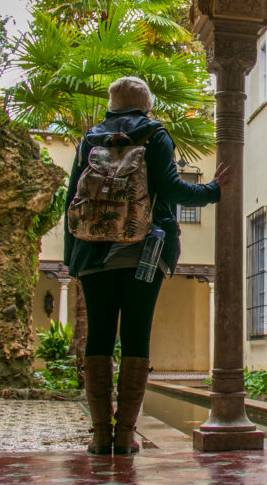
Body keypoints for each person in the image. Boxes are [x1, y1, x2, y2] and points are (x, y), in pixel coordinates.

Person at [63, 76, 231, 455]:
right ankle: (125, 435)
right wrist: (213, 190)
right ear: (146, 105)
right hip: (145, 253)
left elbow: (71, 201)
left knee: (99, 338)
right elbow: (172, 189)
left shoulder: (89, 140)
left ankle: (99, 434)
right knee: (136, 336)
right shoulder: (155, 136)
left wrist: (73, 255)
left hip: (92, 254)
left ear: (112, 103)